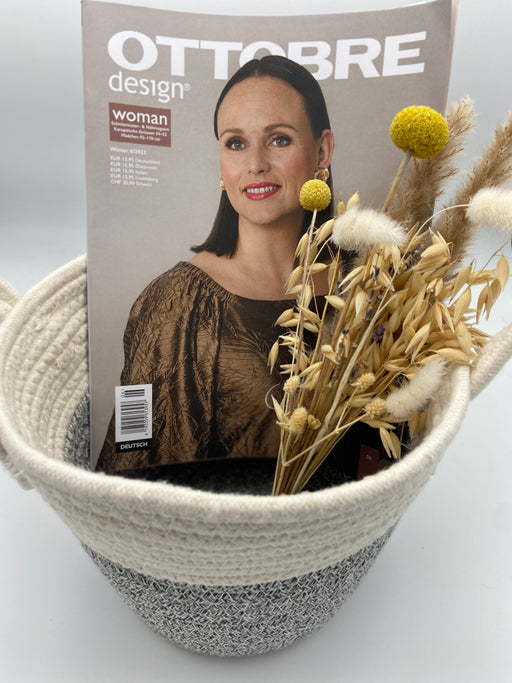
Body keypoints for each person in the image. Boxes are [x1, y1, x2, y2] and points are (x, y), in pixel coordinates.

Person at [97, 55, 335, 472]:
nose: (255, 164)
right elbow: (131, 457)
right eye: (236, 143)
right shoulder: (174, 304)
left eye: (279, 139)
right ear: (222, 163)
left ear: (322, 150)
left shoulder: (372, 283)